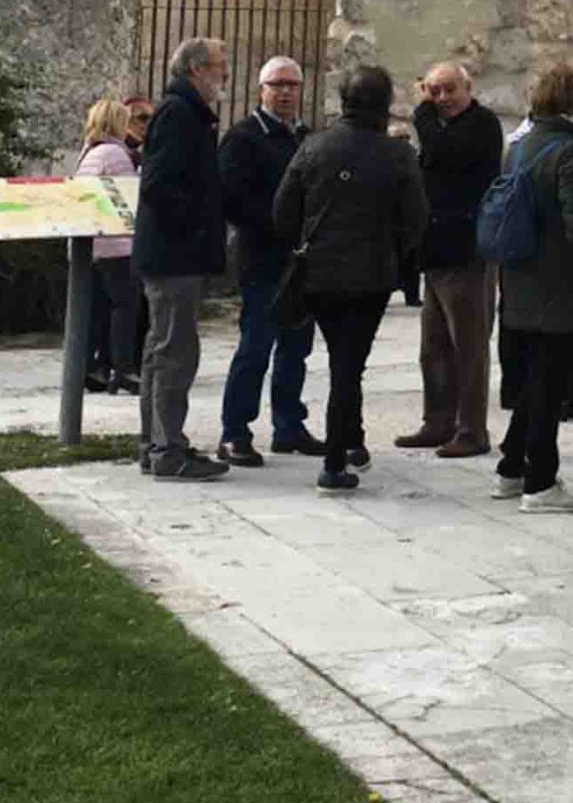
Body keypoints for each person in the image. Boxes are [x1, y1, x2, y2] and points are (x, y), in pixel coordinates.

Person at [271, 66, 428, 491]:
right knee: (348, 365)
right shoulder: (397, 155)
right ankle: (335, 461)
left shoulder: (313, 146)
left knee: (345, 361)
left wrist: (306, 243)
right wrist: (394, 252)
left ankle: (352, 439)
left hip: (319, 272)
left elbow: (283, 211)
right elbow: (416, 219)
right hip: (370, 275)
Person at [492, 65, 573, 512]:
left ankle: (511, 466)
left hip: (522, 274)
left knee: (535, 378)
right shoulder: (571, 151)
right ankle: (540, 481)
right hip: (559, 280)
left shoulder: (520, 146)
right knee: (551, 382)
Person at [215, 56, 323, 466]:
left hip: (301, 262)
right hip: (262, 258)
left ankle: (289, 425)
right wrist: (280, 223)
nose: (285, 92)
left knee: (296, 347)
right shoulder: (243, 138)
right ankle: (235, 431)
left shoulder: (306, 138)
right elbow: (232, 200)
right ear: (261, 89)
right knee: (256, 346)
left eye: (292, 84)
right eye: (277, 84)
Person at [135, 38, 233, 481]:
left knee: (163, 350)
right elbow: (159, 186)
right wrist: (196, 225)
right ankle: (167, 449)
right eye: (218, 65)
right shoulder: (179, 115)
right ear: (196, 69)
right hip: (174, 255)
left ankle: (156, 443)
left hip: (172, 253)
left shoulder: (186, 114)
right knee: (174, 353)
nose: (224, 73)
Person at [399, 62, 503, 458]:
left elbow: (444, 152)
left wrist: (422, 111)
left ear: (468, 88)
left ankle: (471, 429)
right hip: (436, 252)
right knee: (434, 346)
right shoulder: (438, 128)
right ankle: (437, 420)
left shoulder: (481, 124)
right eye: (434, 91)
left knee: (469, 347)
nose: (441, 98)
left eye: (449, 89)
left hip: (467, 252)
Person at [76, 98, 142, 395]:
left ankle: (93, 367)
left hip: (93, 243)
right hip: (117, 243)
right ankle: (123, 368)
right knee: (125, 307)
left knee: (99, 309)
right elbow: (128, 198)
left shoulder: (89, 152)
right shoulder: (116, 154)